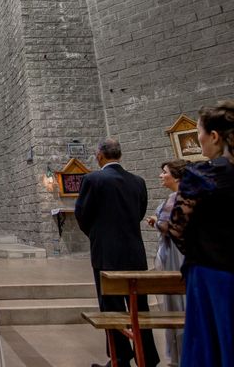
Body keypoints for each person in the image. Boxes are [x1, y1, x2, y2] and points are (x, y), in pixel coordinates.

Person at [75, 139, 159, 367]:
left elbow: (82, 213)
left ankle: (120, 359)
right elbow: (140, 212)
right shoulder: (138, 182)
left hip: (106, 254)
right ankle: (148, 357)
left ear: (100, 156)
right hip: (135, 253)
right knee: (139, 308)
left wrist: (97, 234)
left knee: (111, 307)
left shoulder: (93, 179)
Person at [168, 101, 234, 366]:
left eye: (200, 135)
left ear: (215, 136)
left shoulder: (203, 175)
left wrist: (204, 247)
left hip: (213, 274)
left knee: (211, 345)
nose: (201, 141)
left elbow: (177, 229)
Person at [146, 159, 188, 366]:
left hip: (177, 255)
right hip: (173, 251)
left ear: (177, 176)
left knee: (180, 303)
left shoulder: (180, 198)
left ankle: (185, 353)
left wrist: (158, 221)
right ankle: (180, 353)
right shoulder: (177, 198)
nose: (161, 176)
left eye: (165, 172)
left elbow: (170, 226)